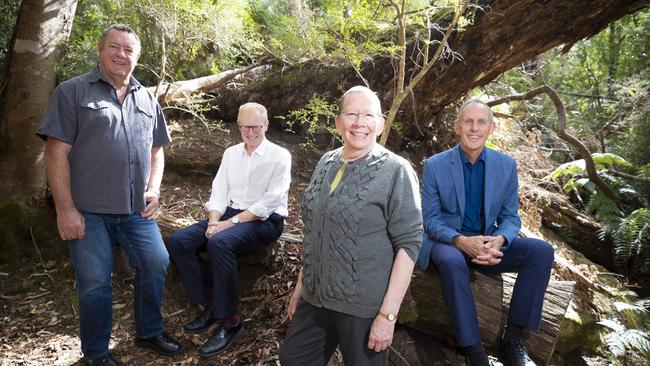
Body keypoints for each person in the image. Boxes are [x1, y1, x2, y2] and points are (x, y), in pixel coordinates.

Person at [36, 24, 182, 366]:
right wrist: (65, 209)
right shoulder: (73, 92)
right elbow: (56, 153)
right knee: (95, 284)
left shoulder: (147, 97)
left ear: (138, 57)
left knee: (156, 262)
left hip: (135, 211)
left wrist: (154, 189)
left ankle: (149, 331)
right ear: (100, 51)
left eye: (129, 50)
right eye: (114, 47)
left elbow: (156, 151)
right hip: (87, 211)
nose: (121, 54)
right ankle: (97, 353)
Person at [279, 86, 423, 366]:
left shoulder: (396, 171)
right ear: (338, 122)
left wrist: (388, 315)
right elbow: (316, 230)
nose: (360, 122)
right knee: (293, 359)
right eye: (352, 114)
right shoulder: (326, 162)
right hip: (315, 299)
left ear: (380, 123)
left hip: (363, 308)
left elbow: (410, 242)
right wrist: (301, 284)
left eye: (368, 115)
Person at [417, 99, 555, 366]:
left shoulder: (506, 166)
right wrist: (460, 241)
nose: (474, 128)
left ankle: (512, 341)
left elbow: (510, 217)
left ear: (491, 128)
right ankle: (474, 352)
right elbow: (430, 220)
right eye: (468, 121)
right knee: (452, 260)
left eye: (481, 122)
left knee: (541, 252)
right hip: (448, 241)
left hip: (488, 243)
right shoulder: (436, 165)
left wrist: (499, 240)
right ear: (457, 127)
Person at [166, 102, 291, 359]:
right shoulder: (231, 153)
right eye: (244, 127)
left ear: (265, 125)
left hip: (265, 220)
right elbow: (219, 191)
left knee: (219, 243)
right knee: (179, 242)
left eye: (255, 127)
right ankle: (213, 302)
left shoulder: (280, 156)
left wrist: (226, 225)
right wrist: (214, 220)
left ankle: (231, 321)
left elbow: (268, 203)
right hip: (230, 214)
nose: (250, 132)